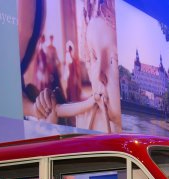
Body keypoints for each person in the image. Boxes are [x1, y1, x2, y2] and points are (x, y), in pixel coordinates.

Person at [32, 0, 122, 133]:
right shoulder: (88, 116)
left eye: (114, 60)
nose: (98, 75)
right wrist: (56, 119)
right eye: (93, 57)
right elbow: (61, 112)